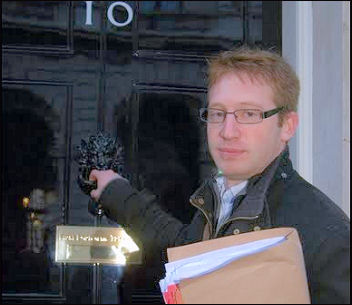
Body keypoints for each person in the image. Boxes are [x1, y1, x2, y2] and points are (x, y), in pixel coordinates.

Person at [89, 46, 350, 304]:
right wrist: (115, 191)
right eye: (218, 113)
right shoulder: (219, 200)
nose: (227, 131)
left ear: (287, 126)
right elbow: (182, 247)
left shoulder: (327, 234)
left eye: (248, 114)